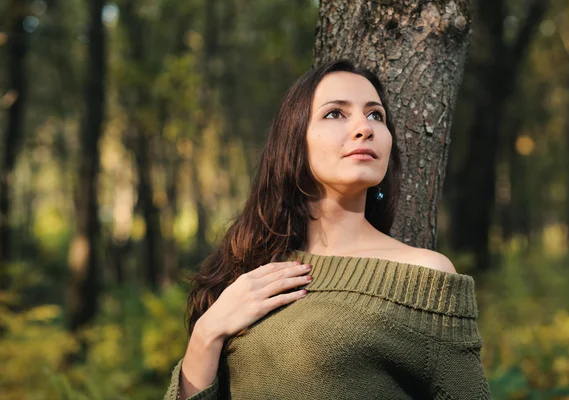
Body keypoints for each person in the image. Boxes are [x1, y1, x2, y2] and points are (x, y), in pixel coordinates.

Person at [164, 60, 491, 400]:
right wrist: (207, 333)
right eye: (335, 113)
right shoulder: (249, 268)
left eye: (375, 115)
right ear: (295, 142)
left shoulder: (424, 277)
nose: (364, 128)